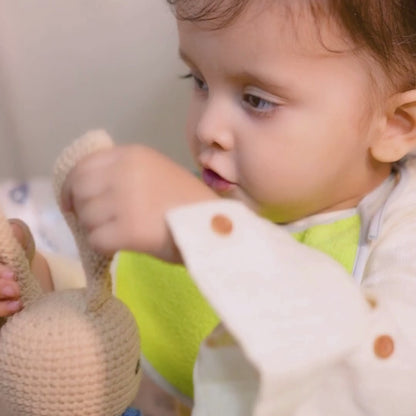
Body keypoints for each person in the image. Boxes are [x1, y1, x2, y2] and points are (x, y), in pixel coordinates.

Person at [3, 0, 416, 414]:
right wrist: (36, 286)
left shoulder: (400, 243)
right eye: (198, 80)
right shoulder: (212, 191)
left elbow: (379, 379)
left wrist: (214, 236)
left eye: (257, 100)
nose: (207, 129)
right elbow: (107, 296)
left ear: (397, 125)